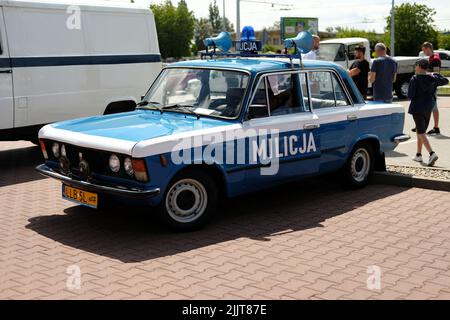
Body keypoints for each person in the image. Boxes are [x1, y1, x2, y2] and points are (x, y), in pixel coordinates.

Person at [408, 59, 448, 167]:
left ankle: (431, 153)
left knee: (421, 132)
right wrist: (434, 74)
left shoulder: (414, 78)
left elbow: (410, 95)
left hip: (417, 108)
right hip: (428, 107)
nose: (415, 67)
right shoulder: (432, 78)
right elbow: (445, 80)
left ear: (420, 66)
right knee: (420, 130)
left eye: (416, 65)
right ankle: (418, 154)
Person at [421, 41, 442, 135]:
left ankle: (435, 127)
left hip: (432, 87)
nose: (423, 52)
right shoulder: (431, 58)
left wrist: (425, 73)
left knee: (433, 107)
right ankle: (429, 126)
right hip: (429, 86)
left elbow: (436, 74)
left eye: (424, 50)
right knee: (431, 107)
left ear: (428, 48)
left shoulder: (435, 59)